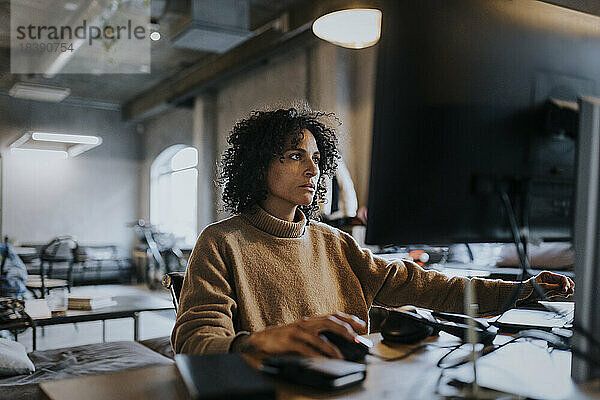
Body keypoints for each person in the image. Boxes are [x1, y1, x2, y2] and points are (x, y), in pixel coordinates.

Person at [171, 107, 574, 358]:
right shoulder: (221, 242)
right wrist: (257, 342)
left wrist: (521, 291)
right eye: (295, 156)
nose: (312, 170)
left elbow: (430, 287)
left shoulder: (336, 244)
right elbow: (194, 339)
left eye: (315, 159)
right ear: (257, 166)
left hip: (347, 383)